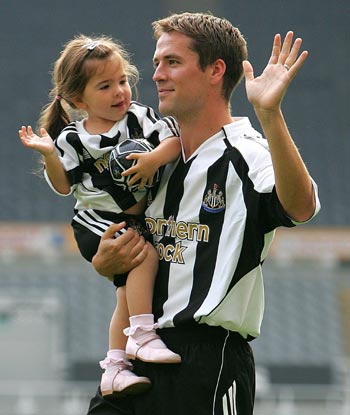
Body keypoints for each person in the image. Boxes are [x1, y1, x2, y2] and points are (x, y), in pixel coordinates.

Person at [86, 12, 320, 415]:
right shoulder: (153, 155)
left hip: (207, 361)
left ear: (215, 71)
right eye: (157, 62)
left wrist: (269, 115)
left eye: (172, 62)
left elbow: (300, 206)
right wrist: (107, 262)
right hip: (133, 357)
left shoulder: (246, 152)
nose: (157, 74)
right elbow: (136, 249)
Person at [18, 34, 183, 398]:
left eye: (123, 80)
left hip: (134, 221)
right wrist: (48, 154)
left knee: (126, 292)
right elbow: (64, 187)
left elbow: (175, 142)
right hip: (97, 223)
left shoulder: (139, 118)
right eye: (105, 86)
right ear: (79, 100)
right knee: (147, 260)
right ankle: (141, 334)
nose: (120, 91)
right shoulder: (73, 139)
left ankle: (114, 367)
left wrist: (154, 158)